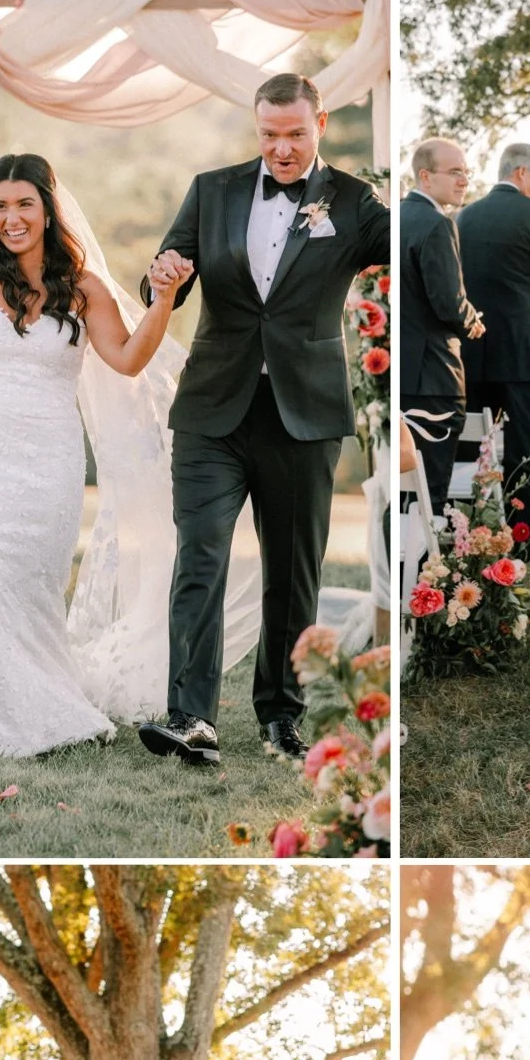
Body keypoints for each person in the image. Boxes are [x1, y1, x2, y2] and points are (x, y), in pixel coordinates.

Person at [132, 72, 389, 769]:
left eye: (294, 134)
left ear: (322, 124)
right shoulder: (212, 190)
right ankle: (190, 718)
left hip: (304, 415)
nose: (280, 148)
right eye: (269, 134)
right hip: (214, 408)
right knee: (201, 557)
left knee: (293, 572)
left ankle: (281, 716)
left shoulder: (356, 202)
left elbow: (408, 251)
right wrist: (166, 276)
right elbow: (160, 277)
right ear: (257, 129)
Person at [0, 132, 176, 760]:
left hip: (47, 461)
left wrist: (163, 303)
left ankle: (27, 702)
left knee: (29, 585)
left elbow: (129, 360)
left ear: (48, 209)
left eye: (24, 204)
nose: (11, 218)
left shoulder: (84, 291)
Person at [456, 142, 530, 518]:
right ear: (521, 172)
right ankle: (522, 533)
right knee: (524, 447)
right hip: (520, 351)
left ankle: (466, 530)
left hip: (474, 349)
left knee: (470, 444)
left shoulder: (464, 217)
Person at [400, 137, 483, 512]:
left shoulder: (399, 215)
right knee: (428, 489)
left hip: (403, 375)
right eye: (454, 172)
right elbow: (448, 302)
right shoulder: (436, 223)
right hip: (433, 376)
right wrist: (473, 322)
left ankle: (402, 565)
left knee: (403, 490)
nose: (463, 180)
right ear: (425, 176)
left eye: (465, 172)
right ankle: (421, 569)